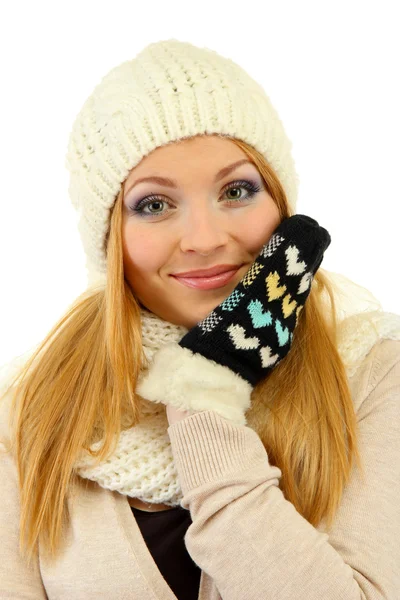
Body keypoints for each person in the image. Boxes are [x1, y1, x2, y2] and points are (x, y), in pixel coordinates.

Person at [1, 38, 399, 600]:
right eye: (154, 204)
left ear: (281, 207)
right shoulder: (30, 409)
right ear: (110, 238)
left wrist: (204, 393)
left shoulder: (372, 372)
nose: (207, 239)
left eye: (237, 190)